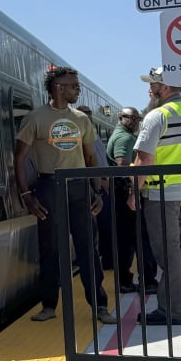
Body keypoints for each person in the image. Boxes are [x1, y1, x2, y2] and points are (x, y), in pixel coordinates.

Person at [14, 66, 117, 324]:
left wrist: (96, 190)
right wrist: (26, 194)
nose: (77, 90)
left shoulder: (82, 120)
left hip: (79, 187)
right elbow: (18, 158)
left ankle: (100, 306)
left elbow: (91, 157)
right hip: (49, 186)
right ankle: (49, 305)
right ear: (58, 88)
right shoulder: (35, 119)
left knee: (88, 249)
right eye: (73, 86)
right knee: (50, 249)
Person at [131, 67, 181, 325]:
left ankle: (170, 311)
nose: (149, 89)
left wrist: (134, 192)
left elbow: (144, 159)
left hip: (161, 193)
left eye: (153, 84)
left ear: (164, 87)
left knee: (168, 256)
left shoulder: (158, 115)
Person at [106, 107, 158, 294]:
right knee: (138, 238)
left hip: (122, 193)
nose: (135, 121)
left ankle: (127, 280)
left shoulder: (120, 135)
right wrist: (133, 192)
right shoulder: (125, 138)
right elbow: (122, 165)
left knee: (127, 238)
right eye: (131, 118)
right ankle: (145, 280)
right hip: (127, 193)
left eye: (137, 118)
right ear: (121, 118)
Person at [78, 105, 114, 270]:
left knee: (107, 227)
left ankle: (108, 261)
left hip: (103, 185)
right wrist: (100, 182)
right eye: (84, 115)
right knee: (101, 227)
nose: (88, 117)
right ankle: (105, 263)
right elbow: (87, 161)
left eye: (89, 114)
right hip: (94, 187)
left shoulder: (95, 135)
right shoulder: (80, 136)